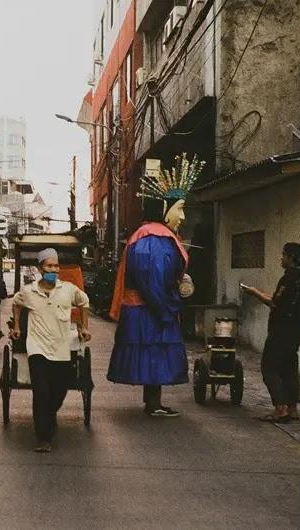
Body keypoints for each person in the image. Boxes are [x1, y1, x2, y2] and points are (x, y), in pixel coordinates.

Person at [107, 155, 203, 417]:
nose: (182, 216)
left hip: (144, 309)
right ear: (165, 208)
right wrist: (168, 308)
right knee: (155, 355)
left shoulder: (147, 236)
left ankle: (153, 401)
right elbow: (154, 282)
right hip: (149, 310)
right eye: (180, 208)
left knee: (153, 356)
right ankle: (154, 404)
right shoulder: (155, 239)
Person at [11, 248, 91, 453]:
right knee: (40, 392)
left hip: (62, 350)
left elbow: (84, 303)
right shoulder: (29, 291)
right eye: (49, 266)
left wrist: (84, 327)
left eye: (56, 266)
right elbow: (16, 303)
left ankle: (49, 414)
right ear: (40, 269)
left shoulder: (68, 289)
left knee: (59, 391)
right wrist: (18, 327)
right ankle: (43, 437)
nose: (54, 270)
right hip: (37, 349)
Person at [241, 243, 300, 423]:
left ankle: (280, 408)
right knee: (289, 368)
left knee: (269, 367)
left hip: (280, 331)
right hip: (297, 332)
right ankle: (292, 408)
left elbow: (275, 303)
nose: (281, 258)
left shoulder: (288, 281)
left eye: (283, 255)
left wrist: (254, 292)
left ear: (291, 258)